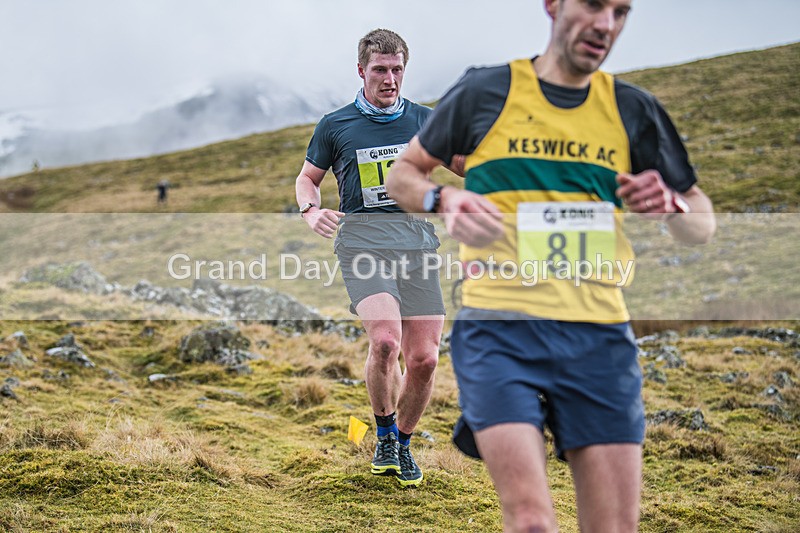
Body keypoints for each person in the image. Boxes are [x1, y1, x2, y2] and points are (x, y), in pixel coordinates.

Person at [386, 0, 716, 529]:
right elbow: (403, 174)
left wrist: (671, 207)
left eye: (621, 12)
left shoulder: (633, 109)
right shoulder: (485, 92)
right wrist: (443, 201)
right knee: (532, 521)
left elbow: (701, 220)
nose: (606, 24)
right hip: (500, 331)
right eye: (592, 5)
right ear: (554, 5)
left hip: (598, 336)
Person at [295, 29, 448, 487]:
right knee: (385, 342)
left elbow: (467, 162)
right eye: (380, 70)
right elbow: (307, 178)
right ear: (361, 71)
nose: (390, 79)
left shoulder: (425, 119)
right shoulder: (336, 124)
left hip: (417, 244)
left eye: (397, 69)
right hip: (362, 243)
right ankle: (382, 433)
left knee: (425, 359)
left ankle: (402, 443)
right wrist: (310, 210)